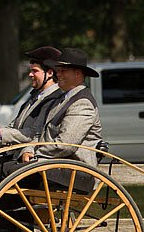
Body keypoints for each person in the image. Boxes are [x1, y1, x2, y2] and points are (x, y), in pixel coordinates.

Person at [0, 46, 65, 185]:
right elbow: (13, 128)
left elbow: (33, 134)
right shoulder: (35, 98)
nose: (30, 74)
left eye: (35, 71)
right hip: (15, 155)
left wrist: (0, 132)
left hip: (32, 159)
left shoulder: (55, 100)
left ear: (49, 73)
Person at [19, 47, 103, 191]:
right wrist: (28, 149)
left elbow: (65, 144)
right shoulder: (61, 99)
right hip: (55, 165)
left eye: (63, 70)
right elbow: (41, 134)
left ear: (78, 73)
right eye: (58, 70)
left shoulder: (83, 103)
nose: (58, 74)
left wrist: (35, 155)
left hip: (75, 172)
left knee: (6, 171)